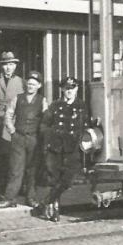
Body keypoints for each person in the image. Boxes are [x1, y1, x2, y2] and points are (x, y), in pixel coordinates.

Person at [35, 77, 86, 222]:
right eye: (66, 88)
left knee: (67, 180)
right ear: (62, 89)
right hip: (56, 147)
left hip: (72, 148)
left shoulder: (81, 106)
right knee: (55, 179)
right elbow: (44, 125)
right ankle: (55, 210)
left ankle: (45, 202)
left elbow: (84, 125)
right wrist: (49, 139)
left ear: (76, 89)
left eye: (72, 88)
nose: (69, 91)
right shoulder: (55, 105)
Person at [0, 70, 47, 208]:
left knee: (32, 170)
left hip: (34, 140)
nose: (30, 86)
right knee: (15, 169)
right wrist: (12, 130)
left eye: (34, 84)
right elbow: (8, 115)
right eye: (29, 84)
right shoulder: (17, 98)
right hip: (18, 138)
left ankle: (31, 198)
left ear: (39, 86)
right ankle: (10, 198)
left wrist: (42, 135)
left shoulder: (42, 100)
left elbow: (46, 119)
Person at [0, 51, 25, 200]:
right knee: (0, 158)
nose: (8, 68)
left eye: (11, 64)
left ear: (15, 66)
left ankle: (14, 189)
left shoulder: (20, 82)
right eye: (5, 65)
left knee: (14, 157)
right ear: (2, 66)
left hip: (13, 123)